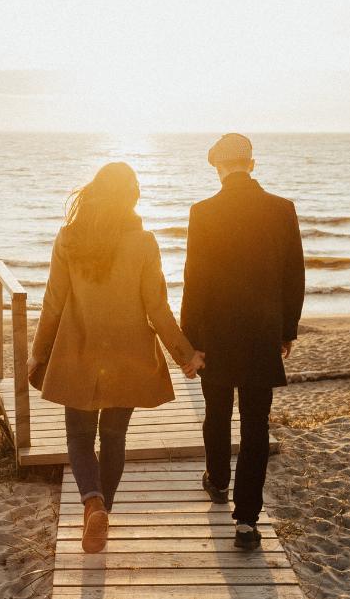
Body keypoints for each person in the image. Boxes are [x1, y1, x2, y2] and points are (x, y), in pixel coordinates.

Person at [28, 162, 205, 554]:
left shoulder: (69, 239)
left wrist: (37, 353)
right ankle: (102, 508)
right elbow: (157, 310)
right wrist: (185, 354)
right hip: (128, 354)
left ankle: (92, 503)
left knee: (77, 436)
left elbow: (53, 303)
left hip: (77, 351)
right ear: (131, 199)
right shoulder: (144, 243)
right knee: (113, 437)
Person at [181, 133, 305, 550]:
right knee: (255, 426)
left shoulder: (203, 212)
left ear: (218, 168)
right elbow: (294, 277)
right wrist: (287, 329)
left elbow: (193, 281)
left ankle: (217, 480)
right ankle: (247, 520)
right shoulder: (281, 210)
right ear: (251, 165)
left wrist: (190, 340)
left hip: (215, 335)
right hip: (261, 334)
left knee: (216, 413)